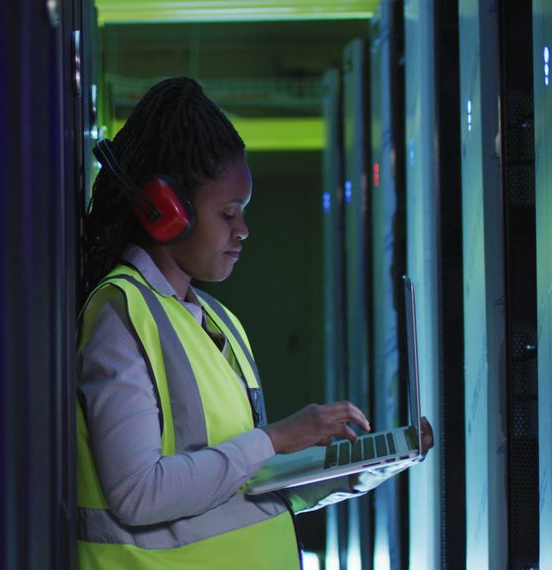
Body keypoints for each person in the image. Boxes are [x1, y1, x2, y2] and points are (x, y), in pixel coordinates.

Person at [76, 77, 433, 569]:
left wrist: (366, 468)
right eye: (228, 213)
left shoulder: (220, 324)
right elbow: (139, 493)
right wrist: (275, 438)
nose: (242, 230)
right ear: (166, 211)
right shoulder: (120, 315)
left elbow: (245, 488)